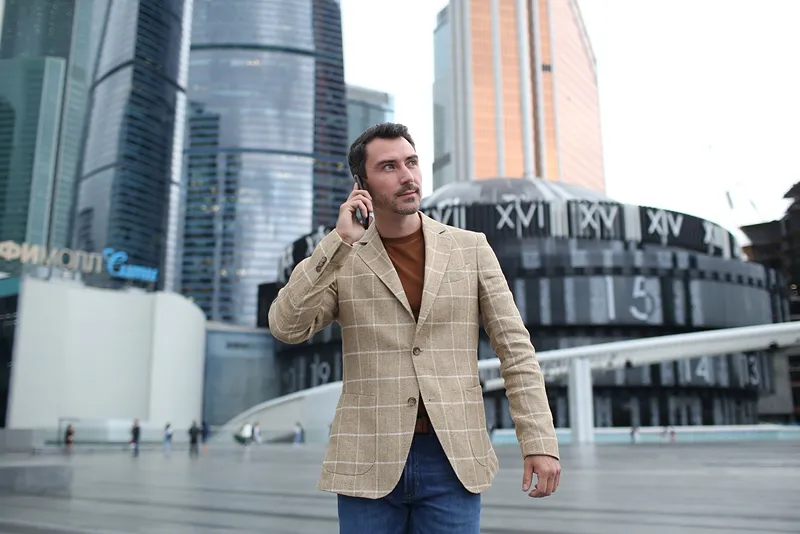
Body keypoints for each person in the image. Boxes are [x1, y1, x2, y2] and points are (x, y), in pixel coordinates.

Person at [268, 122, 561, 533]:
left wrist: (540, 442)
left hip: (453, 458)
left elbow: (516, 352)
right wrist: (338, 241)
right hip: (366, 459)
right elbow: (286, 326)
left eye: (411, 162)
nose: (407, 175)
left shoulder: (470, 247)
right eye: (388, 167)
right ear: (362, 183)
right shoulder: (344, 254)